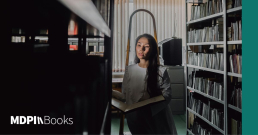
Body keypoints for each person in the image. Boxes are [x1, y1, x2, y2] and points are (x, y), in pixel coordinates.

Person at [112, 33, 178, 135]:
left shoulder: (161, 71)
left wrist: (150, 110)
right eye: (139, 45)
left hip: (155, 117)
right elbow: (125, 96)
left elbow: (167, 95)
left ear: (153, 50)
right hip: (135, 118)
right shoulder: (129, 70)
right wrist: (111, 92)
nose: (141, 49)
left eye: (146, 47)